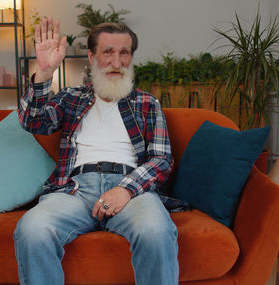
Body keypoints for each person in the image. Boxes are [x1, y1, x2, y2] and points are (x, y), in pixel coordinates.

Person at [14, 18, 179, 285]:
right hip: (75, 191)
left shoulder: (148, 103)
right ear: (91, 57)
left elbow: (161, 159)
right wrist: (44, 73)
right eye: (108, 52)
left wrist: (125, 189)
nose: (117, 62)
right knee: (32, 229)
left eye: (124, 52)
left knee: (156, 230)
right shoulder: (71, 97)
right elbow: (33, 122)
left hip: (132, 190)